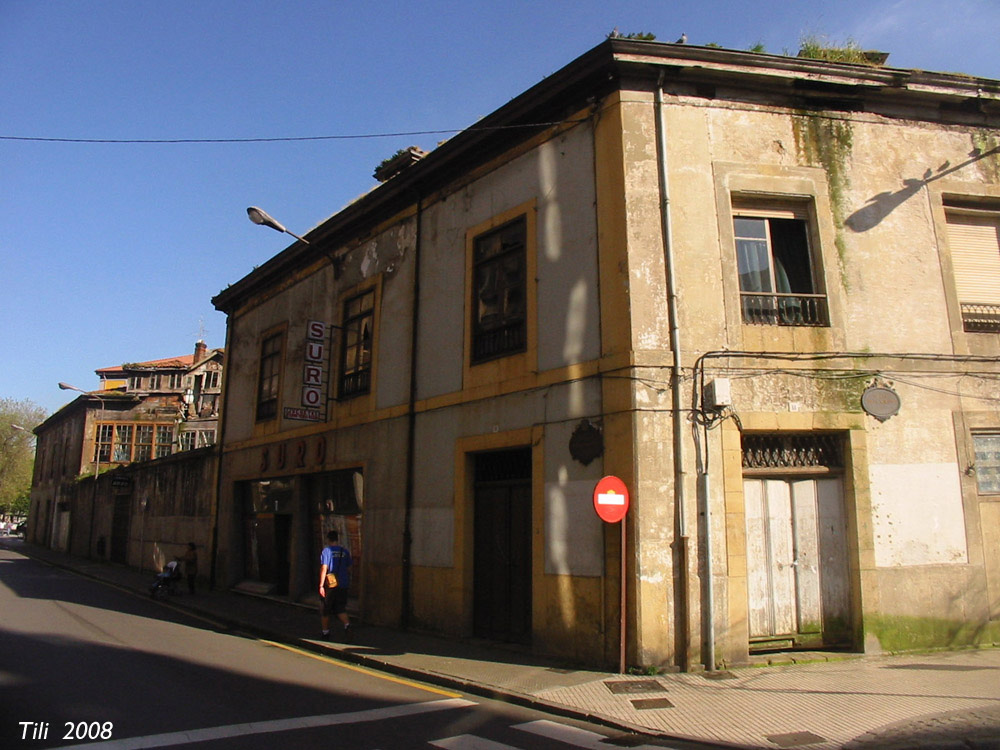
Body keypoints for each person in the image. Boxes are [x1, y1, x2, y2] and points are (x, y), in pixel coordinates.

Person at [318, 530, 352, 640]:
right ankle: (347, 625)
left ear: (328, 539)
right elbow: (349, 568)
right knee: (340, 608)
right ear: (337, 539)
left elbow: (324, 568)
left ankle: (325, 632)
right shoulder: (345, 551)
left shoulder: (326, 551)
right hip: (343, 583)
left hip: (331, 585)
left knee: (325, 608)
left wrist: (321, 585)